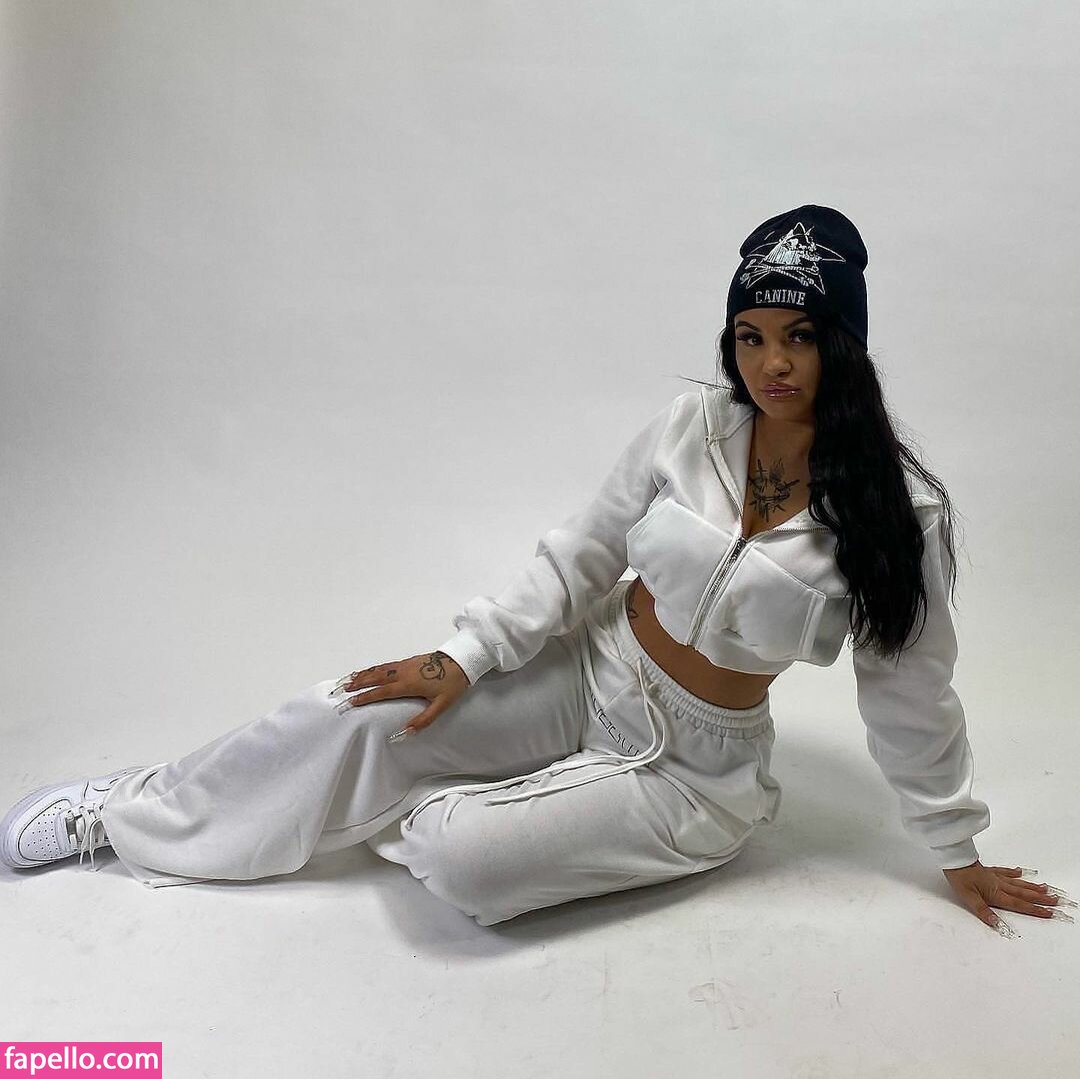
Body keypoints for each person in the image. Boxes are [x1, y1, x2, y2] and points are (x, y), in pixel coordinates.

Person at [1, 205, 1068, 935]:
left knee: (463, 861)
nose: (771, 362)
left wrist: (954, 845)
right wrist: (468, 656)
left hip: (694, 773)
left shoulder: (898, 517)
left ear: (847, 342)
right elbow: (583, 552)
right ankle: (129, 812)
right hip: (591, 668)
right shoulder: (692, 425)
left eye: (800, 335)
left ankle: (454, 802)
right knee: (355, 712)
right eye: (749, 335)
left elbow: (911, 693)